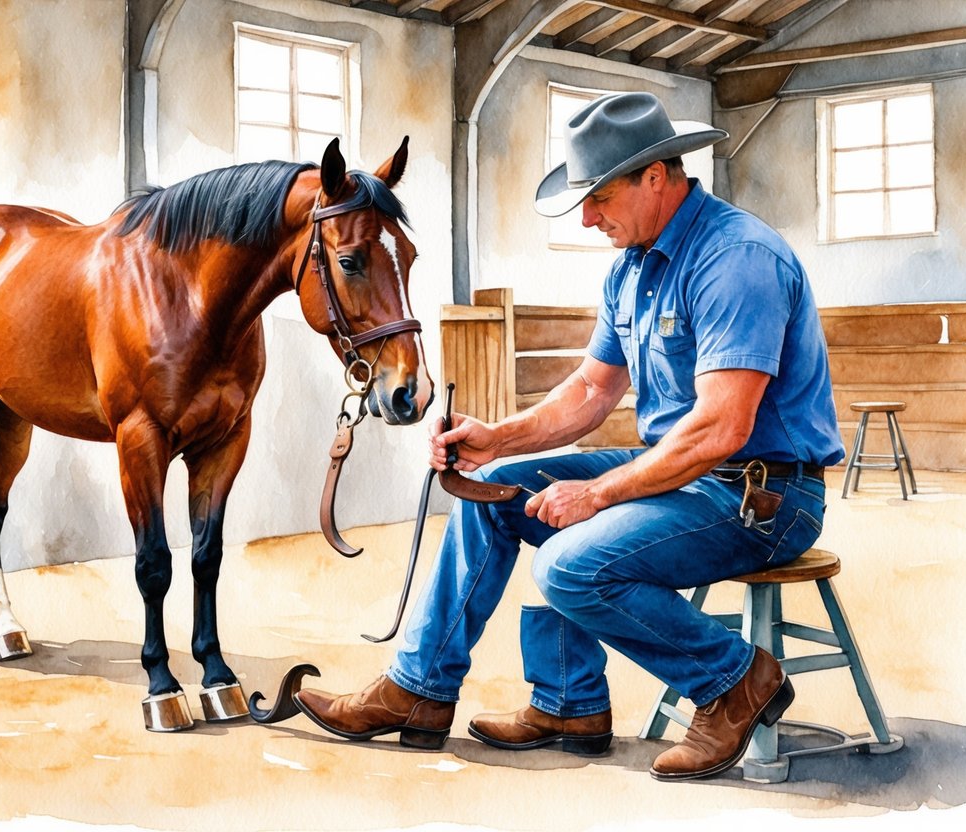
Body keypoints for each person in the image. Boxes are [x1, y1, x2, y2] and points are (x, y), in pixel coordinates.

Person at [293, 91, 843, 781]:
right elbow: (590, 390)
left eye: (598, 197)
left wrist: (598, 493)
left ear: (654, 177)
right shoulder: (631, 268)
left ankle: (733, 680)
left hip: (761, 495)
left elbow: (719, 428)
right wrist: (497, 439)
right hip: (682, 472)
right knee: (488, 493)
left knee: (568, 562)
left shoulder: (734, 259)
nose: (586, 218)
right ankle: (466, 695)